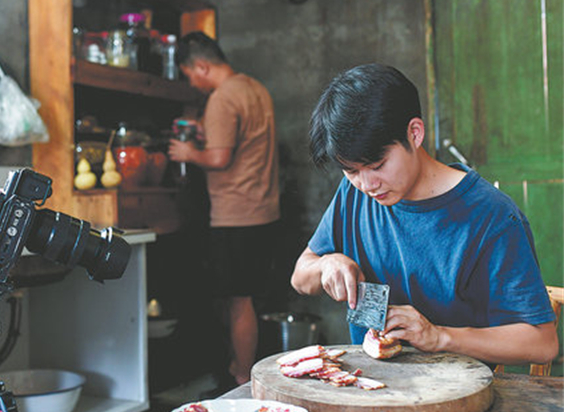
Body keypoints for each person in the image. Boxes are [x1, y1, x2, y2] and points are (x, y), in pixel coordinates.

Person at [291, 63, 558, 366]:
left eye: (378, 165)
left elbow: (542, 343)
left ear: (414, 133)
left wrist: (439, 337)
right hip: (372, 392)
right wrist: (327, 264)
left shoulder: (492, 216)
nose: (367, 185)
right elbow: (301, 277)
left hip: (459, 400)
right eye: (351, 170)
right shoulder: (353, 194)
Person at [168, 32, 280, 385]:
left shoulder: (221, 98)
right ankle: (241, 370)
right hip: (264, 210)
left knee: (238, 301)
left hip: (236, 214)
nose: (193, 82)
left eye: (189, 74)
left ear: (201, 66)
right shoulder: (254, 89)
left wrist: (188, 154)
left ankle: (243, 378)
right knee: (247, 298)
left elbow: (219, 157)